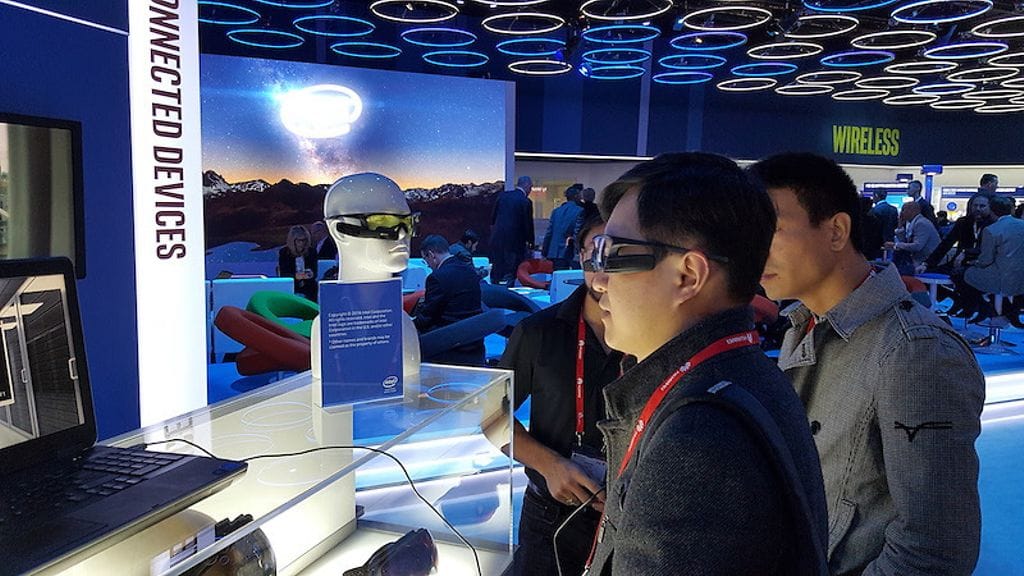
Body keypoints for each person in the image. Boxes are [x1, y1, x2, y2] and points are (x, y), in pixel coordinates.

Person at [586, 152, 828, 575]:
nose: (598, 280)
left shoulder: (698, 438)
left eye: (614, 254)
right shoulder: (742, 375)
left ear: (688, 276)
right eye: (595, 254)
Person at [749, 152, 984, 576]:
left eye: (771, 230)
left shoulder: (917, 352)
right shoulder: (801, 323)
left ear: (836, 231)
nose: (753, 250)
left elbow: (935, 551)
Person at [500, 212, 622, 576]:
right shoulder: (538, 332)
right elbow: (491, 417)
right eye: (594, 254)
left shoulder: (659, 340)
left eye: (618, 255)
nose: (603, 271)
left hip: (630, 515)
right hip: (551, 513)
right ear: (580, 256)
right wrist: (550, 465)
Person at [965, 195, 1024, 325]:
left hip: (1003, 276)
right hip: (1020, 274)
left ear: (991, 211)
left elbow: (986, 260)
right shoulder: (1022, 224)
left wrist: (974, 263)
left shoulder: (992, 230)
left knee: (966, 274)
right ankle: (1004, 313)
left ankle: (988, 311)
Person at [490, 176, 534, 285]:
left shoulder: (502, 196)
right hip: (515, 243)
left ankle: (494, 289)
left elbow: (493, 218)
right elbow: (527, 225)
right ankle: (507, 291)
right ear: (527, 186)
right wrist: (531, 243)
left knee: (497, 269)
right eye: (531, 187)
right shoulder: (525, 201)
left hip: (497, 240)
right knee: (511, 272)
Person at [886, 201, 940, 274]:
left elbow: (917, 246)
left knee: (898, 264)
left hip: (925, 261)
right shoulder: (914, 222)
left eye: (903, 210)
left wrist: (895, 245)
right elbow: (905, 242)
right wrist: (900, 226)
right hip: (917, 259)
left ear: (912, 211)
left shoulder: (921, 223)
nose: (901, 213)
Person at [541, 184, 583, 269]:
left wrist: (545, 251)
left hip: (554, 251)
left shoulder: (556, 211)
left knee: (557, 275)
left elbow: (549, 233)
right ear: (576, 196)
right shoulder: (580, 211)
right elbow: (577, 233)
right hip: (569, 252)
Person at [277, 224, 318, 302]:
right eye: (299, 240)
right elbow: (283, 273)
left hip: (308, 285)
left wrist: (310, 274)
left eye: (304, 240)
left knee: (313, 288)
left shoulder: (311, 252)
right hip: (292, 284)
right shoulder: (284, 252)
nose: (302, 243)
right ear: (293, 241)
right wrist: (296, 276)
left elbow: (314, 271)